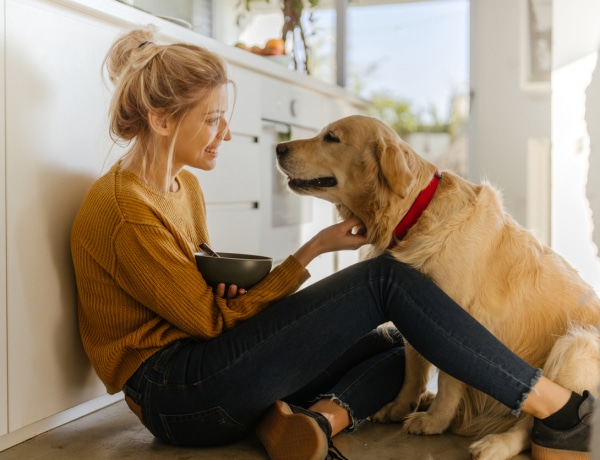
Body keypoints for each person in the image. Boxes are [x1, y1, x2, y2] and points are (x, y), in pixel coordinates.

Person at [70, 26, 595, 460]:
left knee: (401, 341)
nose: (225, 133)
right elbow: (208, 323)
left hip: (208, 370)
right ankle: (556, 406)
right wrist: (314, 249)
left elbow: (196, 299)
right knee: (387, 278)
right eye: (211, 119)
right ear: (162, 120)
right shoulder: (124, 210)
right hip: (179, 397)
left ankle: (316, 422)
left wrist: (231, 292)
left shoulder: (182, 186)